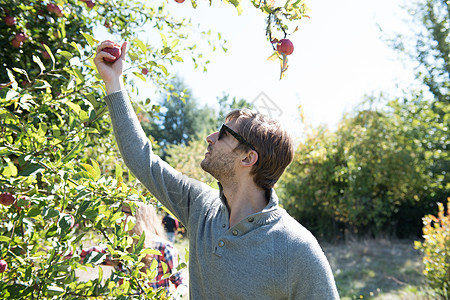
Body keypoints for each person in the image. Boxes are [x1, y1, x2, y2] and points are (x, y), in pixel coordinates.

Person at [94, 40, 340, 299]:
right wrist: (114, 82)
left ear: (248, 158)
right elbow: (142, 160)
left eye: (223, 134)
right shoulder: (200, 206)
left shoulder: (295, 248)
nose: (210, 137)